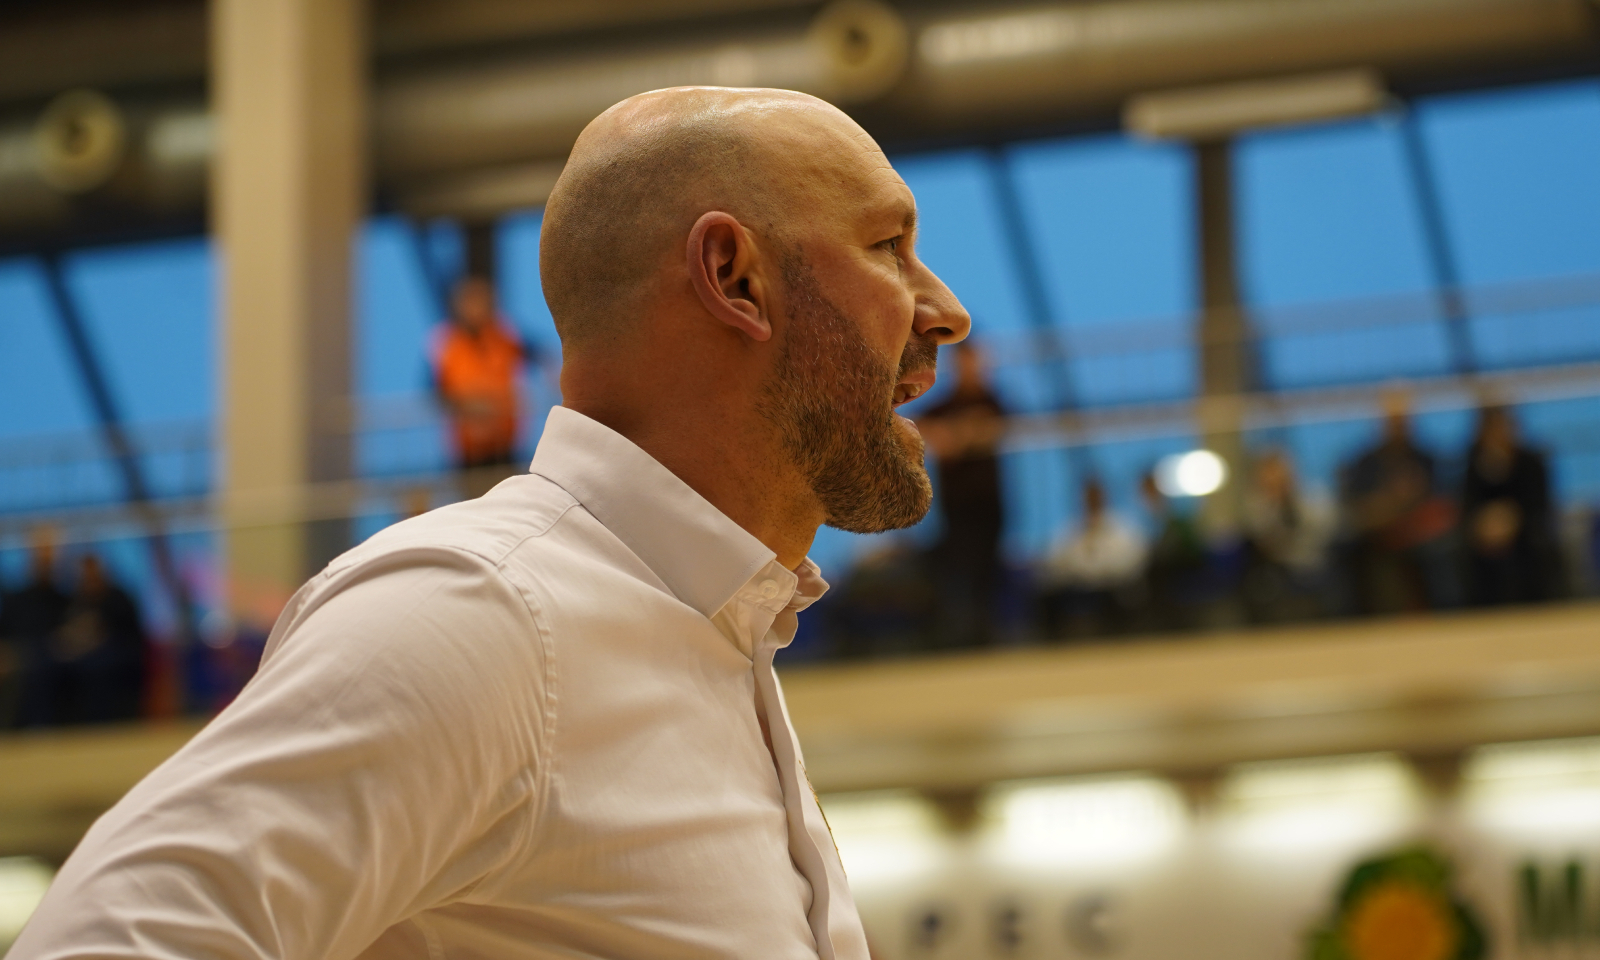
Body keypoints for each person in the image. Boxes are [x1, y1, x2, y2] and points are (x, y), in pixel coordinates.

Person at [15, 87, 970, 960]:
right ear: (733, 278)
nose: (948, 312)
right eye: (889, 247)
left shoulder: (707, 631)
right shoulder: (481, 614)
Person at [918, 341, 1007, 647]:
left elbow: (995, 426)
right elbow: (918, 425)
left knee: (987, 567)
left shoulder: (993, 401)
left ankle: (986, 630)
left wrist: (961, 434)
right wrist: (941, 435)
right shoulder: (945, 405)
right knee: (958, 566)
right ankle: (960, 632)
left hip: (989, 500)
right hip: (957, 503)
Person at [1338, 391, 1458, 614]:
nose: (1399, 426)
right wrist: (1391, 502)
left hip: (1422, 534)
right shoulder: (1365, 462)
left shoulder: (1426, 458)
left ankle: (1448, 612)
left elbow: (1443, 504)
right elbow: (1356, 509)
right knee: (1348, 548)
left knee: (1444, 549)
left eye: (1403, 420)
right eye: (1393, 421)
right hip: (1379, 533)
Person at [431, 274, 531, 495]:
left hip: (505, 445)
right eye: (470, 301)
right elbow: (434, 393)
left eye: (481, 301)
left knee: (508, 501)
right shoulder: (446, 342)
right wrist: (467, 408)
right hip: (468, 450)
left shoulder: (505, 335)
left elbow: (536, 355)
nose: (475, 308)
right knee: (472, 502)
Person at [1460, 405, 1558, 606]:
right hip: (1485, 533)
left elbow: (1538, 503)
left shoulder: (1531, 462)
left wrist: (1511, 520)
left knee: (1534, 546)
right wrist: (1486, 523)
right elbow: (1468, 504)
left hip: (1524, 528)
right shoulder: (1474, 464)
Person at [41, 553, 147, 725]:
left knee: (99, 668)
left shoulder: (118, 598)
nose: (88, 579)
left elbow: (128, 637)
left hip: (117, 658)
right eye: (84, 575)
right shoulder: (75, 601)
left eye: (92, 573)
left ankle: (105, 722)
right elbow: (63, 635)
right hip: (79, 658)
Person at [1038, 478, 1147, 638]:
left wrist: (1100, 571)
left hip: (1113, 590)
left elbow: (1131, 560)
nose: (1092, 500)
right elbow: (1056, 561)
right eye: (1089, 496)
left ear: (1105, 497)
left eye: (1096, 496)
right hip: (1080, 589)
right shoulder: (1072, 530)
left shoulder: (1122, 527)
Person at [1239, 449, 1334, 623]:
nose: (1275, 478)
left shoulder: (1311, 498)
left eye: (1278, 472)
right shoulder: (1256, 505)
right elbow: (1264, 539)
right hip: (1279, 571)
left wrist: (1289, 503)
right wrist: (1276, 504)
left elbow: (1322, 531)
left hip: (1314, 565)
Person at [0, 527, 67, 729]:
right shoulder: (17, 599)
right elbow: (5, 633)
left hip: (52, 656)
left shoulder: (63, 599)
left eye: (49, 556)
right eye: (40, 555)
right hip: (19, 655)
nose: (45, 561)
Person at [1139, 470, 1208, 632]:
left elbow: (1192, 549)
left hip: (1177, 572)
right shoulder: (1139, 519)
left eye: (1152, 489)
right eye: (1146, 491)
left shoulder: (1176, 518)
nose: (1150, 495)